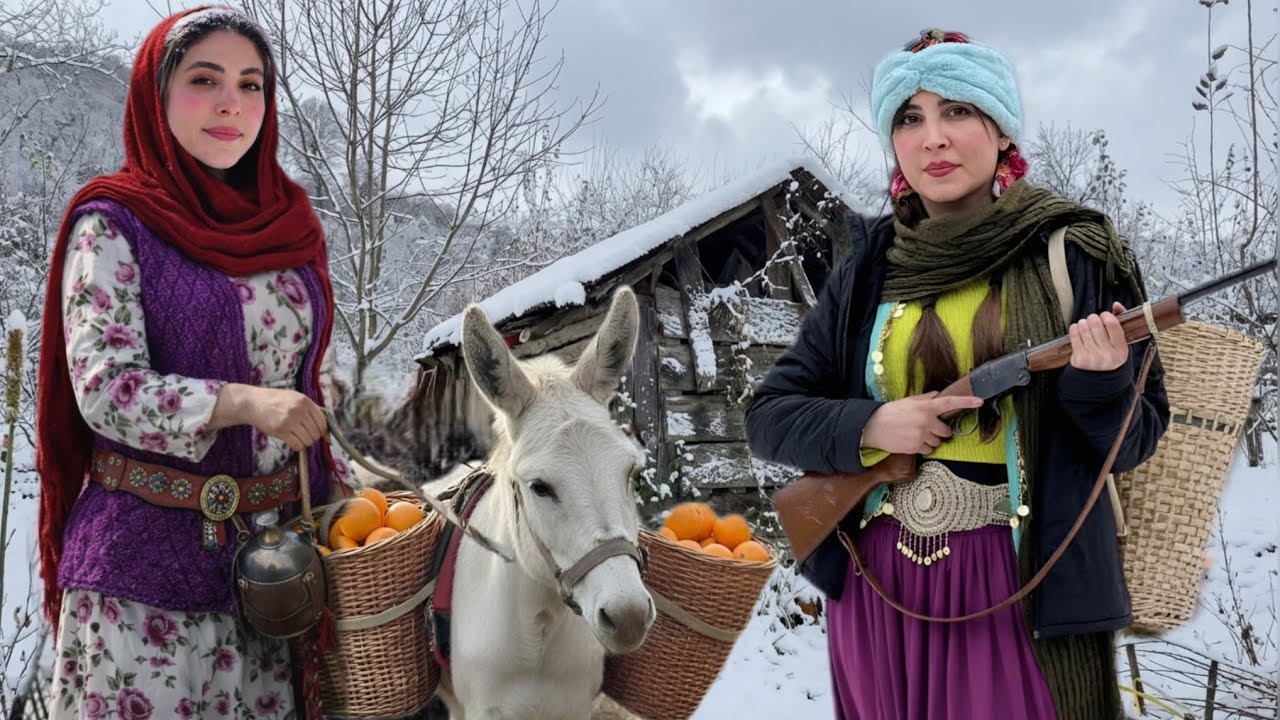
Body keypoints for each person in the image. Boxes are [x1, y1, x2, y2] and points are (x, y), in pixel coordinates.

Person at [746, 29, 1170, 720]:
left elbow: (1138, 438)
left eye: (958, 111)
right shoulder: (868, 265)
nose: (933, 138)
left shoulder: (1075, 250)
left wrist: (1099, 381)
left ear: (1001, 131)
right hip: (878, 585)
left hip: (1018, 582)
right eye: (909, 119)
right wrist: (873, 424)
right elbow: (769, 417)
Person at [36, 7, 353, 717]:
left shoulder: (292, 230)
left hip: (272, 585)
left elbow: (306, 390)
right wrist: (240, 403)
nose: (230, 104)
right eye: (203, 80)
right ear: (157, 95)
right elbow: (105, 388)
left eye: (251, 85)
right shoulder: (114, 224)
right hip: (138, 582)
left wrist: (350, 494)